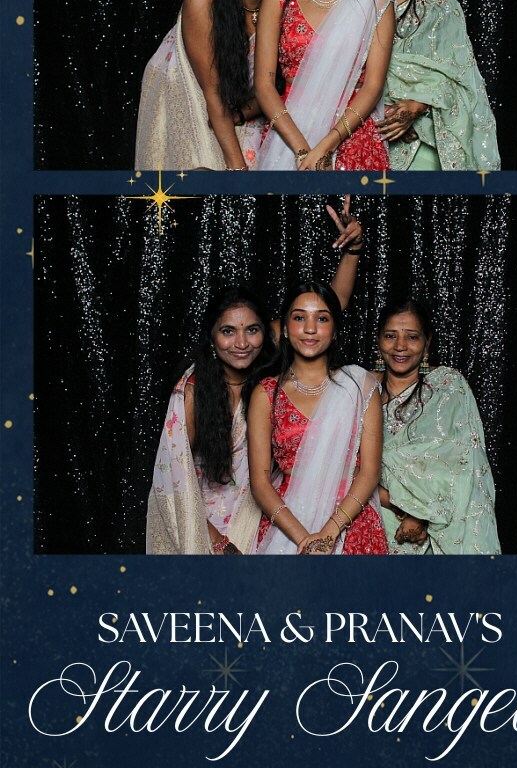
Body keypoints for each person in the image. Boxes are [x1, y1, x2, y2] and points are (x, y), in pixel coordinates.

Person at [146, 202, 364, 554]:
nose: (242, 343)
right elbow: (174, 481)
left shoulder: (268, 358)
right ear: (212, 339)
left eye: (252, 330)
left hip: (257, 515)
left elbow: (328, 308)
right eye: (228, 332)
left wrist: (353, 249)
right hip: (201, 523)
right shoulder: (192, 392)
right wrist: (217, 543)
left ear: (269, 331)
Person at [254, 0, 394, 171]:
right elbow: (264, 86)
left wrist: (327, 146)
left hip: (352, 134)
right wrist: (303, 150)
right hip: (289, 132)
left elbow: (373, 86)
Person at [134, 0, 285, 171]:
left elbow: (280, 83)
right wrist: (238, 172)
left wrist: (241, 114)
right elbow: (212, 92)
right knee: (202, 171)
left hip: (240, 104)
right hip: (186, 90)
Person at [248, 277, 388, 553]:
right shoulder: (266, 394)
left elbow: (370, 472)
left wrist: (328, 533)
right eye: (299, 318)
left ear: (335, 330)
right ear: (285, 328)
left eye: (322, 319)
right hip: (289, 521)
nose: (310, 328)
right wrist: (304, 538)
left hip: (350, 521)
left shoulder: (360, 386)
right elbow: (261, 484)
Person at [367, 0, 500, 170]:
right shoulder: (354, 5)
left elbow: (464, 82)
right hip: (364, 138)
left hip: (428, 142)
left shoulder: (440, 4)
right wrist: (386, 115)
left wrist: (417, 105)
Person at [377, 297, 501, 554]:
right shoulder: (361, 389)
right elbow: (348, 470)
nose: (400, 346)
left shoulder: (448, 387)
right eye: (390, 336)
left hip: (448, 526)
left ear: (427, 343)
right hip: (378, 518)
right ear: (378, 340)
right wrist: (409, 511)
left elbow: (465, 468)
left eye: (412, 337)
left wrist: (424, 514)